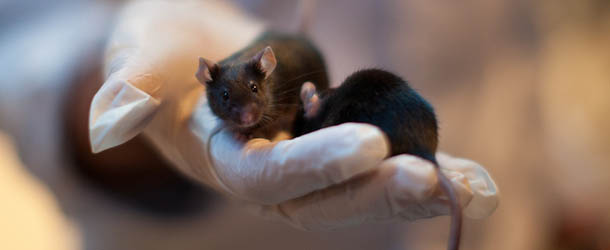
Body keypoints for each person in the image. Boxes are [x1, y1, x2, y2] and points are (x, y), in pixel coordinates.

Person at [0, 1, 497, 249]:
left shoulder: (284, 78)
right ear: (207, 80)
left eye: (251, 104)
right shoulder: (248, 84)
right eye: (228, 106)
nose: (243, 116)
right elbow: (28, 44)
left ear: (266, 72)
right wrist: (129, 102)